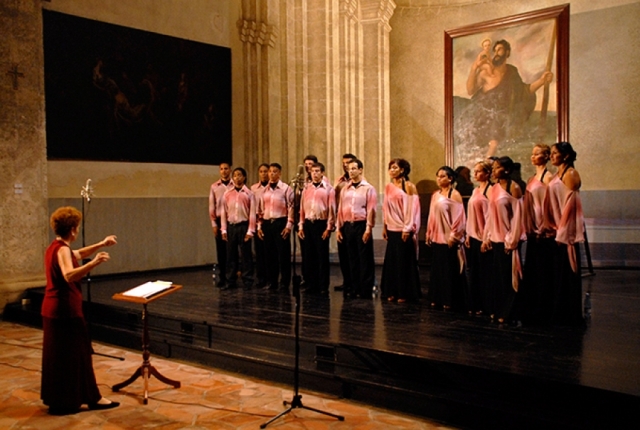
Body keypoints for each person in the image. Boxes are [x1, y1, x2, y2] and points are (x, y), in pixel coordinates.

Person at [41, 206, 120, 415]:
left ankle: (60, 400)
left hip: (52, 309)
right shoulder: (63, 250)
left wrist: (102, 244)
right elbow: (69, 275)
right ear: (74, 229)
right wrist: (94, 263)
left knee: (59, 357)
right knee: (78, 354)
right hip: (65, 310)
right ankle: (92, 398)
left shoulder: (54, 247)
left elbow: (78, 254)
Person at [456, 39, 554, 160]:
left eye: (500, 50)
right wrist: (473, 68)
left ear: (507, 53)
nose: (496, 53)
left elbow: (525, 91)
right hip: (482, 116)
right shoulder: (484, 73)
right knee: (487, 138)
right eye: (495, 50)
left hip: (501, 117)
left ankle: (487, 163)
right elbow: (470, 90)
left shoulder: (512, 72)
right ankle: (485, 164)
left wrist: (542, 81)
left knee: (496, 136)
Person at [545, 142, 585, 326]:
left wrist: (562, 231)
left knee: (567, 272)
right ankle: (559, 311)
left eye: (555, 153)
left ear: (566, 156)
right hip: (556, 230)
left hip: (566, 233)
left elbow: (571, 207)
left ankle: (570, 315)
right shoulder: (555, 175)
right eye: (551, 153)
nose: (552, 156)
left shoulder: (570, 174)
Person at [482, 156, 525, 324]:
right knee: (498, 277)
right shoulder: (493, 188)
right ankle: (498, 309)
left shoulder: (513, 187)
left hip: (508, 240)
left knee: (509, 277)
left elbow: (518, 217)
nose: (493, 171)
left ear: (506, 170)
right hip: (496, 239)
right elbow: (490, 216)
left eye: (497, 167)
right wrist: (487, 237)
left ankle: (510, 312)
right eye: (493, 168)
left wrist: (512, 240)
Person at [518, 144, 555, 323]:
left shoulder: (549, 178)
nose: (533, 157)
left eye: (537, 154)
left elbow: (550, 205)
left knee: (543, 269)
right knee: (532, 268)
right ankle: (531, 305)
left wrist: (545, 227)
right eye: (532, 154)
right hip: (532, 228)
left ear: (546, 156)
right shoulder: (532, 178)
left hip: (544, 229)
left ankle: (544, 307)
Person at [425, 166, 467, 311]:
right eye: (438, 176)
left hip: (448, 236)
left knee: (449, 269)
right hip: (437, 236)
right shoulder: (436, 194)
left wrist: (454, 236)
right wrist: (429, 232)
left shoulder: (454, 194)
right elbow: (432, 215)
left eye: (443, 176)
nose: (439, 179)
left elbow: (459, 218)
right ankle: (437, 297)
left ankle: (450, 299)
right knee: (438, 269)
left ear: (450, 178)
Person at [380, 158, 421, 303]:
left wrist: (407, 228)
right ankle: (392, 291)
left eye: (395, 168)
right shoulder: (388, 187)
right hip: (391, 228)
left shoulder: (409, 186)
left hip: (403, 229)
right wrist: (385, 226)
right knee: (392, 262)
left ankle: (405, 292)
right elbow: (385, 208)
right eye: (390, 168)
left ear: (402, 170)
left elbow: (412, 209)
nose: (392, 170)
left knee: (404, 261)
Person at [336, 159, 377, 298]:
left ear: (360, 170)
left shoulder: (368, 188)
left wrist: (368, 229)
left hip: (361, 225)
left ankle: (365, 289)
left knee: (364, 258)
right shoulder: (345, 189)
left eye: (354, 168)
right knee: (351, 258)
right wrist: (339, 228)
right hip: (348, 225)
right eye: (349, 169)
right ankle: (354, 287)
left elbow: (371, 209)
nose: (351, 171)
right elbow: (340, 209)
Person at [297, 162, 336, 294]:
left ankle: (323, 285)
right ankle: (310, 283)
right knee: (309, 256)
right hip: (308, 224)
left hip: (321, 224)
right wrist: (301, 226)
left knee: (321, 256)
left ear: (322, 173)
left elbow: (332, 210)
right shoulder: (306, 189)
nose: (315, 173)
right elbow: (302, 209)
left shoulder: (329, 189)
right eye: (313, 171)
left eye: (318, 171)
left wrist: (328, 228)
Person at [256, 163, 294, 291]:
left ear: (280, 173)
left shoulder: (286, 189)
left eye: (274, 171)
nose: (271, 174)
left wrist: (288, 226)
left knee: (283, 255)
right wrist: (259, 227)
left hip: (280, 222)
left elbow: (291, 208)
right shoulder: (264, 190)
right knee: (269, 255)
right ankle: (272, 281)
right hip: (267, 223)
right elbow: (260, 210)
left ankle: (284, 282)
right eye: (270, 171)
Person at [464, 160, 493, 315]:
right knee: (474, 272)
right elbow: (471, 215)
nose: (476, 174)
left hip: (484, 238)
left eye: (479, 171)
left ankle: (486, 304)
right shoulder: (476, 191)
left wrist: (487, 238)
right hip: (474, 237)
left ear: (488, 173)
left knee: (485, 273)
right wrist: (468, 234)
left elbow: (490, 217)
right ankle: (475, 304)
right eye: (474, 171)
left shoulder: (490, 191)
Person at [220, 167, 256, 289]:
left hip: (243, 226)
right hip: (231, 226)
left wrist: (250, 231)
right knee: (230, 255)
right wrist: (224, 230)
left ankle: (248, 281)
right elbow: (224, 213)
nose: (237, 177)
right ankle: (230, 281)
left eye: (239, 175)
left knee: (246, 255)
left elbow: (252, 213)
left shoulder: (249, 194)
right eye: (235, 175)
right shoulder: (227, 194)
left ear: (244, 177)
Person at [333, 153, 357, 292]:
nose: (346, 165)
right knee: (343, 254)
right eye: (344, 163)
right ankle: (346, 281)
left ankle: (356, 282)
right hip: (341, 219)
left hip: (354, 220)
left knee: (354, 254)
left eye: (348, 163)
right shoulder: (339, 181)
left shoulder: (360, 181)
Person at [209, 162, 234, 287]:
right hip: (219, 221)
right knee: (221, 251)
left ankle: (232, 277)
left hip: (231, 220)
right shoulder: (214, 187)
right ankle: (222, 277)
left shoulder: (235, 185)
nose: (224, 171)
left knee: (232, 251)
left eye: (226, 169)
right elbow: (211, 206)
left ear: (230, 170)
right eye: (221, 169)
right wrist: (214, 224)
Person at [251, 163, 270, 288]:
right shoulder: (253, 189)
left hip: (269, 221)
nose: (263, 174)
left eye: (266, 171)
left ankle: (270, 278)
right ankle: (260, 278)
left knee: (270, 252)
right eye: (261, 171)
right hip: (258, 223)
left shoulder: (273, 187)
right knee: (259, 253)